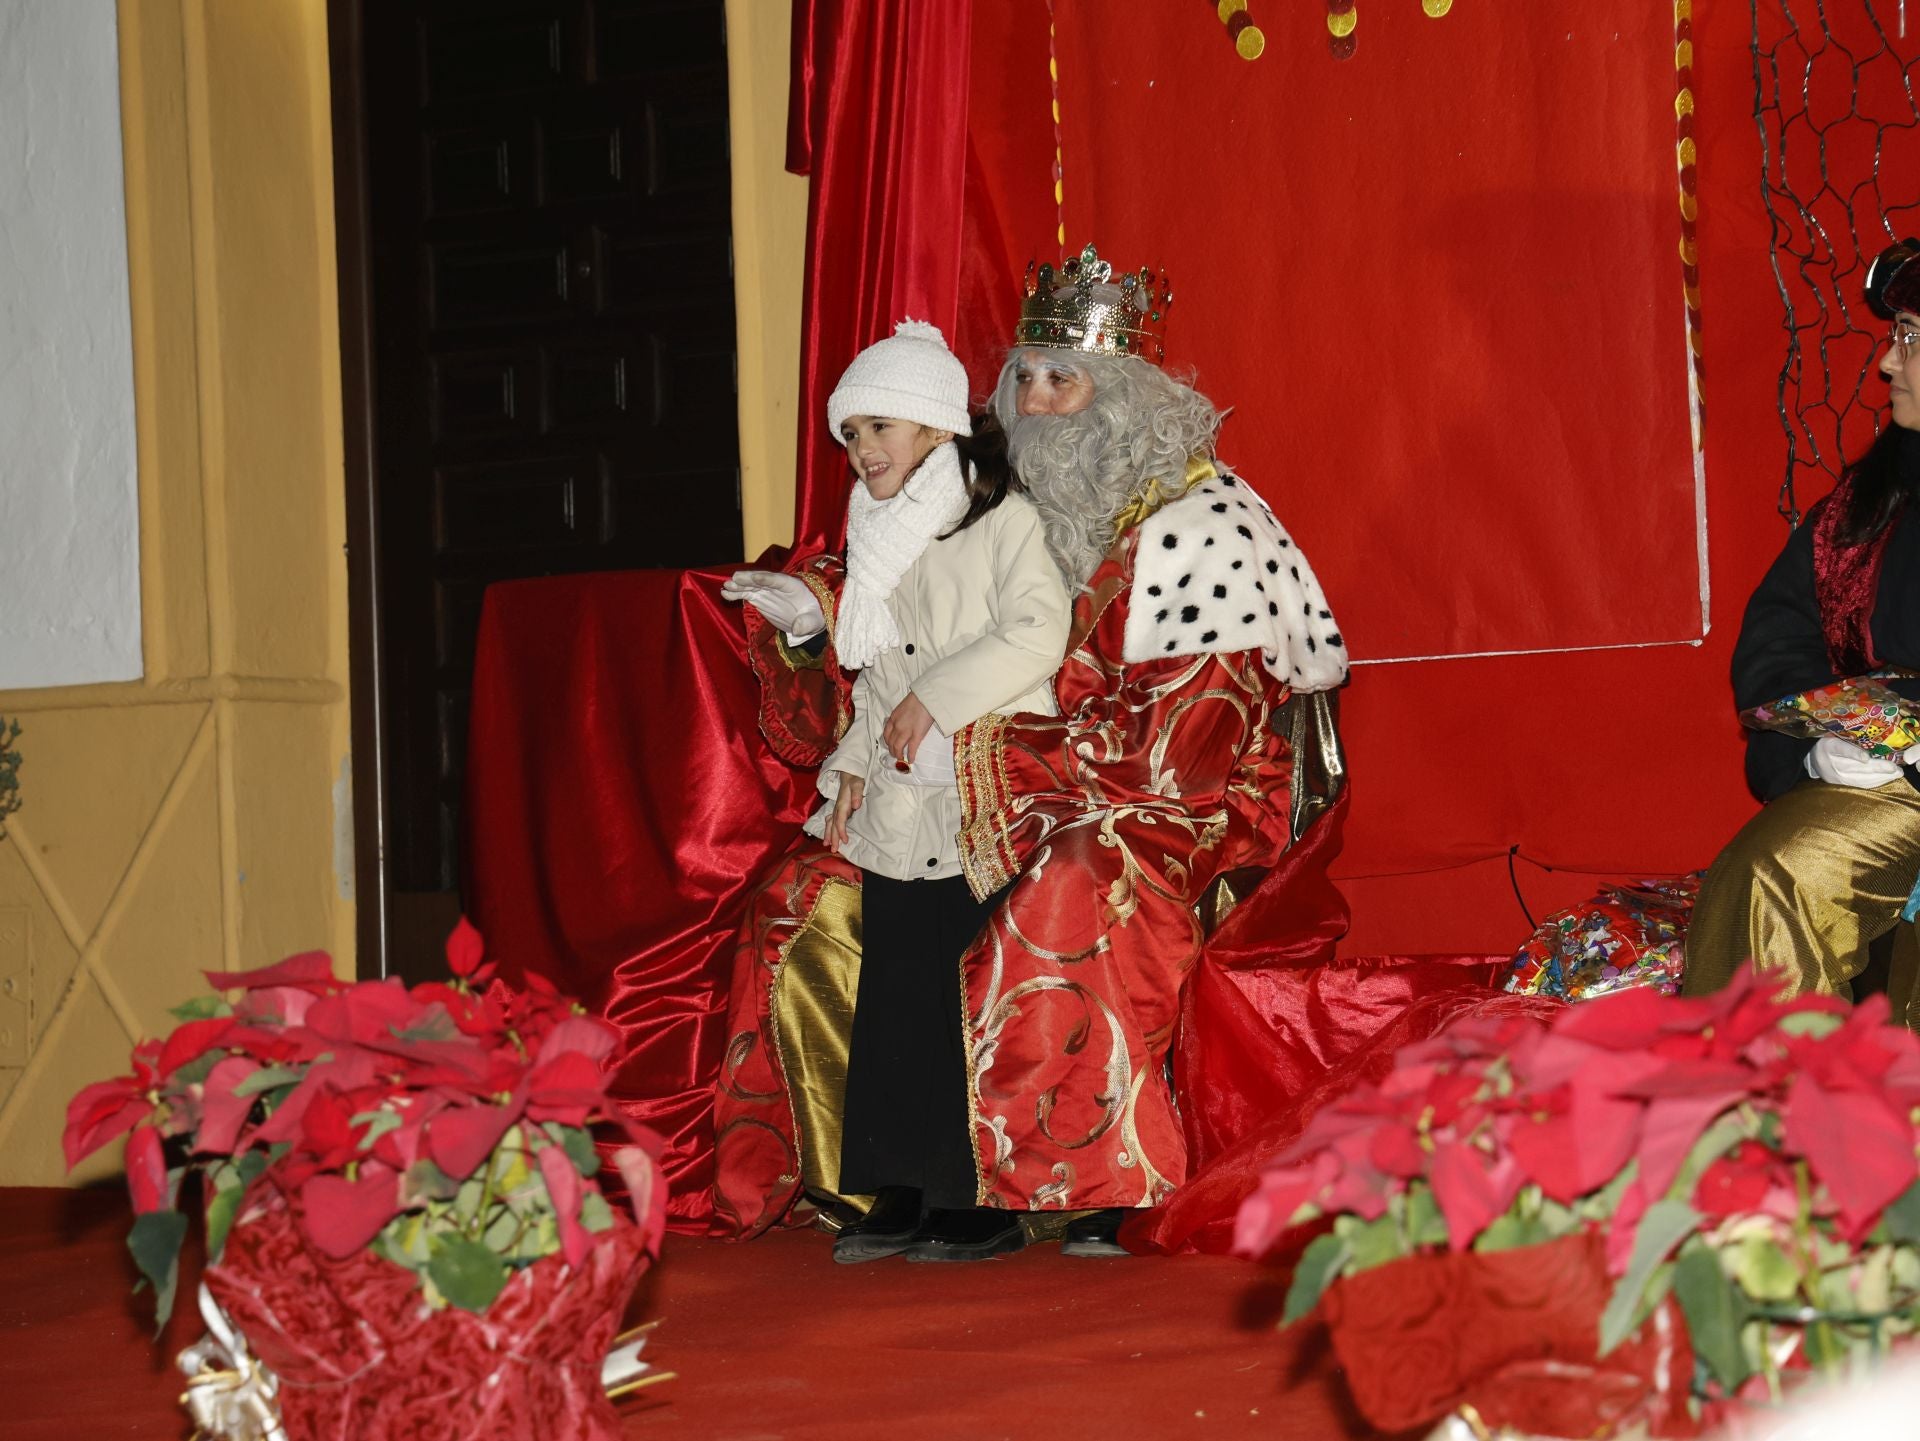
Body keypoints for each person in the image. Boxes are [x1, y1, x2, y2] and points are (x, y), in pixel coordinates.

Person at [714, 245, 1350, 1260]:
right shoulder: (997, 496)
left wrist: (999, 763)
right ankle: (887, 1171)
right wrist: (812, 610)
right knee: (813, 889)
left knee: (1063, 884)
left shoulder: (1205, 529)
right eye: (1026, 379)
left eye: (1067, 379)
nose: (1041, 403)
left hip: (1147, 800)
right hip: (984, 772)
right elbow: (894, 583)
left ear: (1131, 396)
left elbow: (1183, 746)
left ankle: (1053, 1185)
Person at [721, 319, 1071, 1262]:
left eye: (880, 428)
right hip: (900, 797)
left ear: (931, 428)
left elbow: (1038, 634)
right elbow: (874, 676)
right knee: (898, 991)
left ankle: (982, 1196)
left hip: (978, 793)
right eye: (851, 435)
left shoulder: (1003, 521)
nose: (863, 450)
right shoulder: (875, 537)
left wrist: (935, 697)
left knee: (970, 988)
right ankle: (903, 1185)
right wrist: (850, 775)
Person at [1683, 237, 1920, 1017]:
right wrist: (1820, 742)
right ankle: (1785, 1125)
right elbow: (1779, 633)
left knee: (1778, 870)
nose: (1888, 364)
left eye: (1910, 339)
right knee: (1763, 874)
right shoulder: (1868, 502)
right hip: (1880, 785)